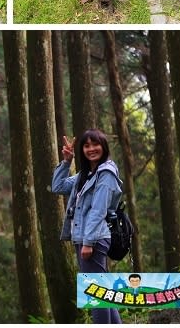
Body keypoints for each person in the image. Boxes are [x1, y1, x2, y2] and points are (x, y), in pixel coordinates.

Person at [52, 130, 123, 324]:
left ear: (104, 147)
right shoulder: (86, 175)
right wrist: (67, 162)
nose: (91, 149)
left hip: (94, 239)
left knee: (95, 295)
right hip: (84, 238)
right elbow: (57, 187)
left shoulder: (106, 173)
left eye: (95, 144)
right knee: (102, 291)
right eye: (86, 145)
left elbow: (98, 211)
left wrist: (88, 242)